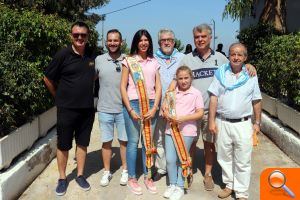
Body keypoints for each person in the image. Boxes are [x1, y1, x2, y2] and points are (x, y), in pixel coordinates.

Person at [168, 23, 256, 191]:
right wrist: (168, 98)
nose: (200, 40)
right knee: (190, 143)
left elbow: (237, 66)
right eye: (196, 37)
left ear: (210, 37)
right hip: (190, 112)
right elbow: (176, 79)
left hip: (211, 112)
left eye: (203, 36)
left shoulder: (221, 58)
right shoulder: (186, 59)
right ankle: (188, 171)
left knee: (209, 144)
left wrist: (249, 66)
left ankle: (207, 174)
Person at [44, 21, 95, 196]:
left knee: (82, 143)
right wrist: (57, 96)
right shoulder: (63, 55)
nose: (80, 38)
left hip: (87, 109)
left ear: (88, 37)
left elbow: (96, 74)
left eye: (83, 35)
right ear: (71, 36)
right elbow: (47, 78)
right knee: (64, 144)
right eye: (76, 35)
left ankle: (80, 175)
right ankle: (62, 178)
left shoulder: (92, 54)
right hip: (66, 109)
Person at [208, 43, 262, 200]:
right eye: (233, 54)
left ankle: (242, 192)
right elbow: (213, 98)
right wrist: (211, 121)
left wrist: (257, 122)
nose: (236, 57)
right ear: (229, 56)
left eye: (240, 55)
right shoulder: (221, 74)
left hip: (243, 124)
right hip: (222, 122)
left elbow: (256, 100)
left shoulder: (251, 75)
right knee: (224, 157)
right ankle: (229, 185)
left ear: (245, 57)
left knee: (243, 159)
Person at [120, 29, 162, 195]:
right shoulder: (129, 61)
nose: (143, 43)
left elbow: (158, 87)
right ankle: (132, 177)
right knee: (132, 142)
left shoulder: (154, 61)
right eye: (140, 40)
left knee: (147, 143)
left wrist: (154, 107)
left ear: (150, 42)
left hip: (151, 105)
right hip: (133, 104)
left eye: (146, 40)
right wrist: (130, 109)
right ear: (136, 43)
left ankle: (148, 176)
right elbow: (122, 86)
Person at [163, 66, 204, 200]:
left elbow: (200, 113)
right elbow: (165, 110)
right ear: (177, 79)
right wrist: (166, 113)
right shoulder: (171, 93)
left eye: (186, 78)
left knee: (182, 159)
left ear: (191, 78)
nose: (183, 81)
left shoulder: (196, 93)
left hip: (187, 131)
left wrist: (183, 118)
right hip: (170, 130)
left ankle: (180, 186)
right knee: (170, 159)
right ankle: (172, 184)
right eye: (180, 78)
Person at [95, 29, 128, 187]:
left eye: (116, 40)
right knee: (106, 142)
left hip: (124, 109)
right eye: (110, 40)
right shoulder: (99, 60)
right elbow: (89, 80)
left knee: (124, 142)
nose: (113, 43)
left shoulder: (127, 60)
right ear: (106, 42)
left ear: (121, 42)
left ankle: (125, 170)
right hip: (104, 109)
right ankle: (106, 171)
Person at [152, 29, 185, 182]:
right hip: (158, 106)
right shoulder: (152, 59)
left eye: (169, 40)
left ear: (174, 42)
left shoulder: (183, 58)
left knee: (177, 137)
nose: (166, 42)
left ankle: (180, 165)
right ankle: (162, 167)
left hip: (178, 107)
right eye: (163, 40)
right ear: (159, 43)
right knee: (159, 138)